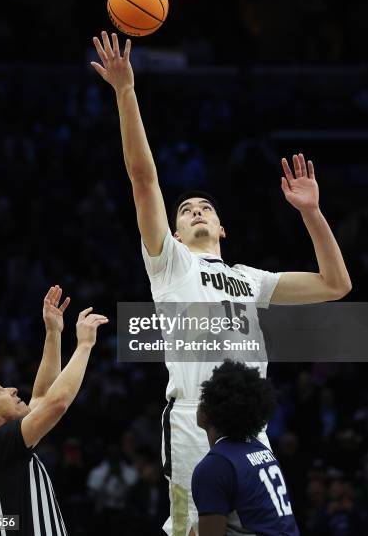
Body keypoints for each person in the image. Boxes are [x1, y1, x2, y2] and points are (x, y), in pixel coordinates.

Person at [91, 31, 351, 536]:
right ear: (175, 230)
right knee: (195, 532)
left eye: (205, 208)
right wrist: (126, 92)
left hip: (252, 426)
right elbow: (144, 180)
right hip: (195, 420)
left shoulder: (249, 280)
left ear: (222, 227)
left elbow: (335, 284)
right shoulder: (170, 265)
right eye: (185, 212)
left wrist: (313, 213)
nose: (195, 212)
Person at [0, 285, 108, 535]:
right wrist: (84, 345)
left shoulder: (2, 450)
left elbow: (42, 397)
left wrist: (53, 332)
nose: (13, 389)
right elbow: (56, 403)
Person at [192, 359, 300, 536]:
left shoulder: (215, 467)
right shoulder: (262, 451)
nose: (199, 403)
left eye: (204, 398)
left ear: (210, 412)